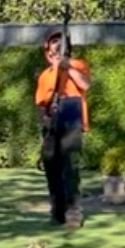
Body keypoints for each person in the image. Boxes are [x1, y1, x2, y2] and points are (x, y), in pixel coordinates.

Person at [35, 29, 91, 227]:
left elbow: (86, 85)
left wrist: (69, 68)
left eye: (59, 45)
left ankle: (74, 212)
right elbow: (41, 104)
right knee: (52, 166)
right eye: (52, 46)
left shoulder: (78, 65)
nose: (55, 51)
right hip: (52, 118)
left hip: (71, 113)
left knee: (70, 167)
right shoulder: (45, 75)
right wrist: (45, 122)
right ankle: (57, 212)